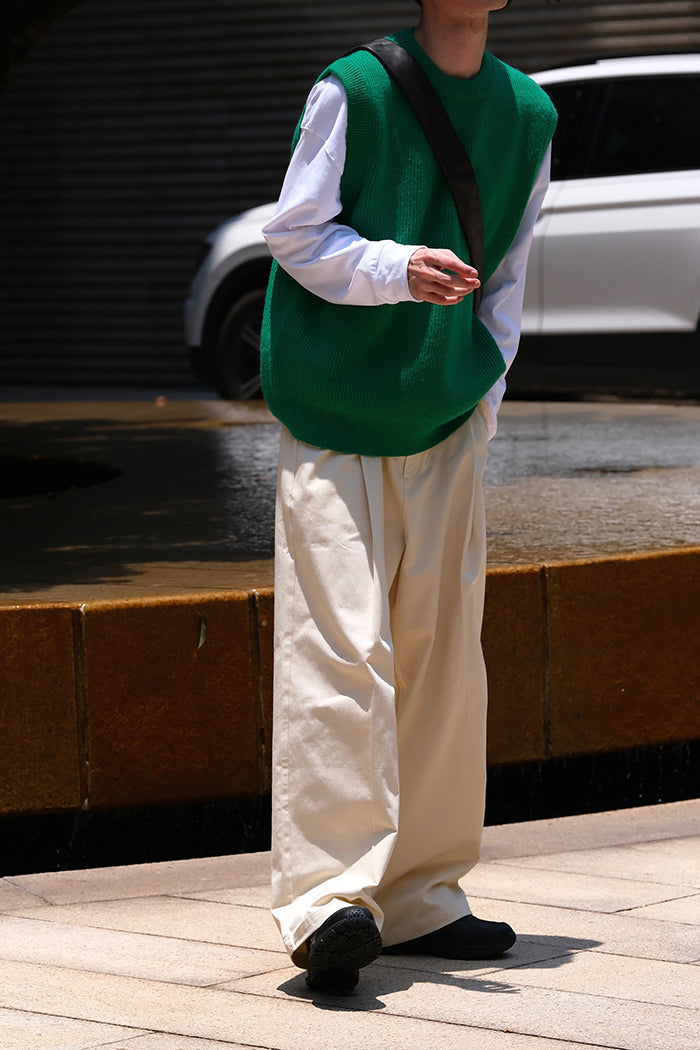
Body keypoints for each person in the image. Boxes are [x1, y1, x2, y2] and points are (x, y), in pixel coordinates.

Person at [260, 0, 557, 994]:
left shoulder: (526, 113)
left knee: (441, 658)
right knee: (340, 649)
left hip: (443, 418)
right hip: (332, 408)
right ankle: (331, 905)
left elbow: (509, 271)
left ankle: (424, 893)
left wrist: (484, 389)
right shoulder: (354, 88)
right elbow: (293, 233)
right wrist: (393, 270)